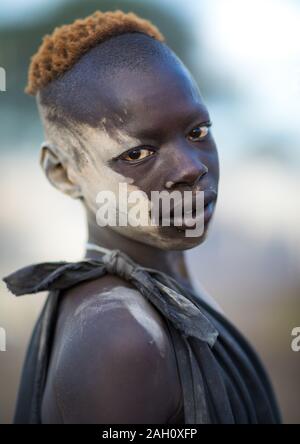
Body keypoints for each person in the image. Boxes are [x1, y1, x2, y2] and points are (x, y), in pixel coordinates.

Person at [3, 10, 281, 424]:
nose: (191, 167)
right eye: (137, 154)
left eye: (198, 132)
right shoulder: (120, 336)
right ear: (63, 174)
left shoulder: (169, 292)